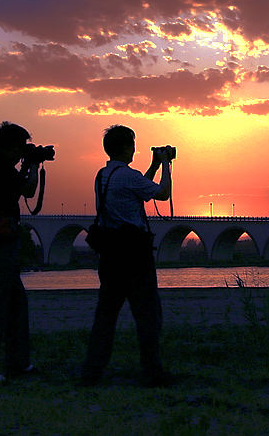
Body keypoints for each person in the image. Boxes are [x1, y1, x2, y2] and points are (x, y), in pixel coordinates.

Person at [80, 124, 173, 387]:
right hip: (135, 256)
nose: (135, 149)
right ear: (125, 147)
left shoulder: (103, 175)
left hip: (110, 255)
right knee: (148, 315)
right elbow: (162, 194)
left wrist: (152, 167)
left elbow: (137, 191)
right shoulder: (129, 176)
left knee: (106, 315)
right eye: (133, 145)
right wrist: (166, 165)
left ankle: (92, 371)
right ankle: (153, 372)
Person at [0, 121, 49, 383]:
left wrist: (28, 163)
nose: (22, 154)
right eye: (21, 148)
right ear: (12, 146)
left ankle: (18, 362)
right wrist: (35, 165)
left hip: (1, 242)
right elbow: (27, 189)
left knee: (15, 303)